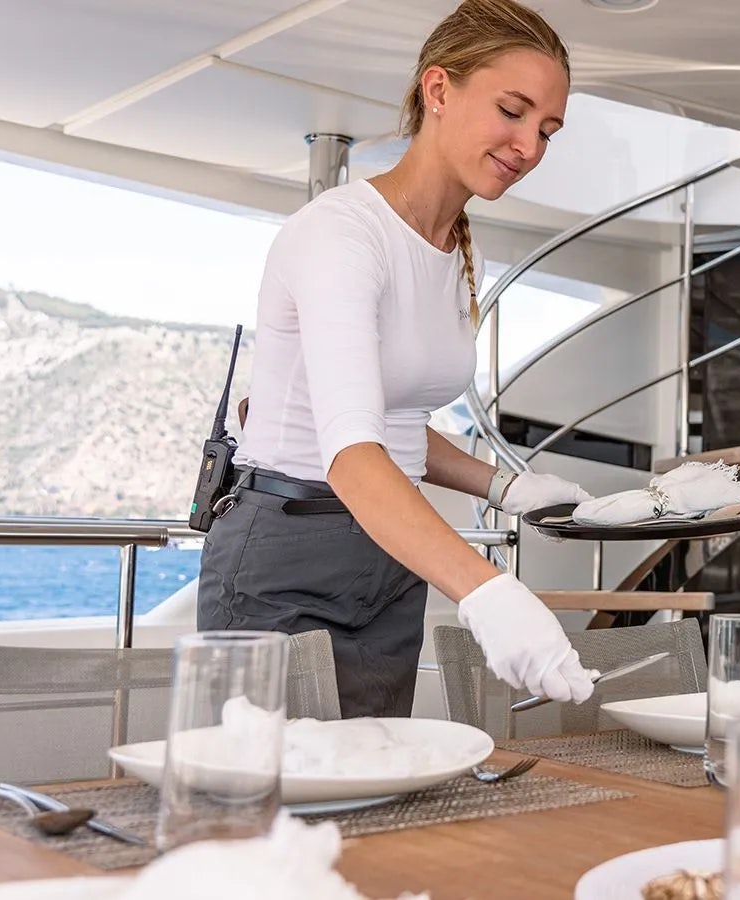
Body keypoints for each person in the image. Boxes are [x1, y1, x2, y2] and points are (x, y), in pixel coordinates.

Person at [198, 0, 597, 719]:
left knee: (373, 803)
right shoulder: (342, 235)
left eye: (548, 130)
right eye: (512, 111)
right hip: (288, 554)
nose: (530, 146)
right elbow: (351, 453)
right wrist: (485, 589)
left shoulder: (449, 248)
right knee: (283, 803)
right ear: (438, 90)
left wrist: (506, 488)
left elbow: (394, 423)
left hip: (388, 554)